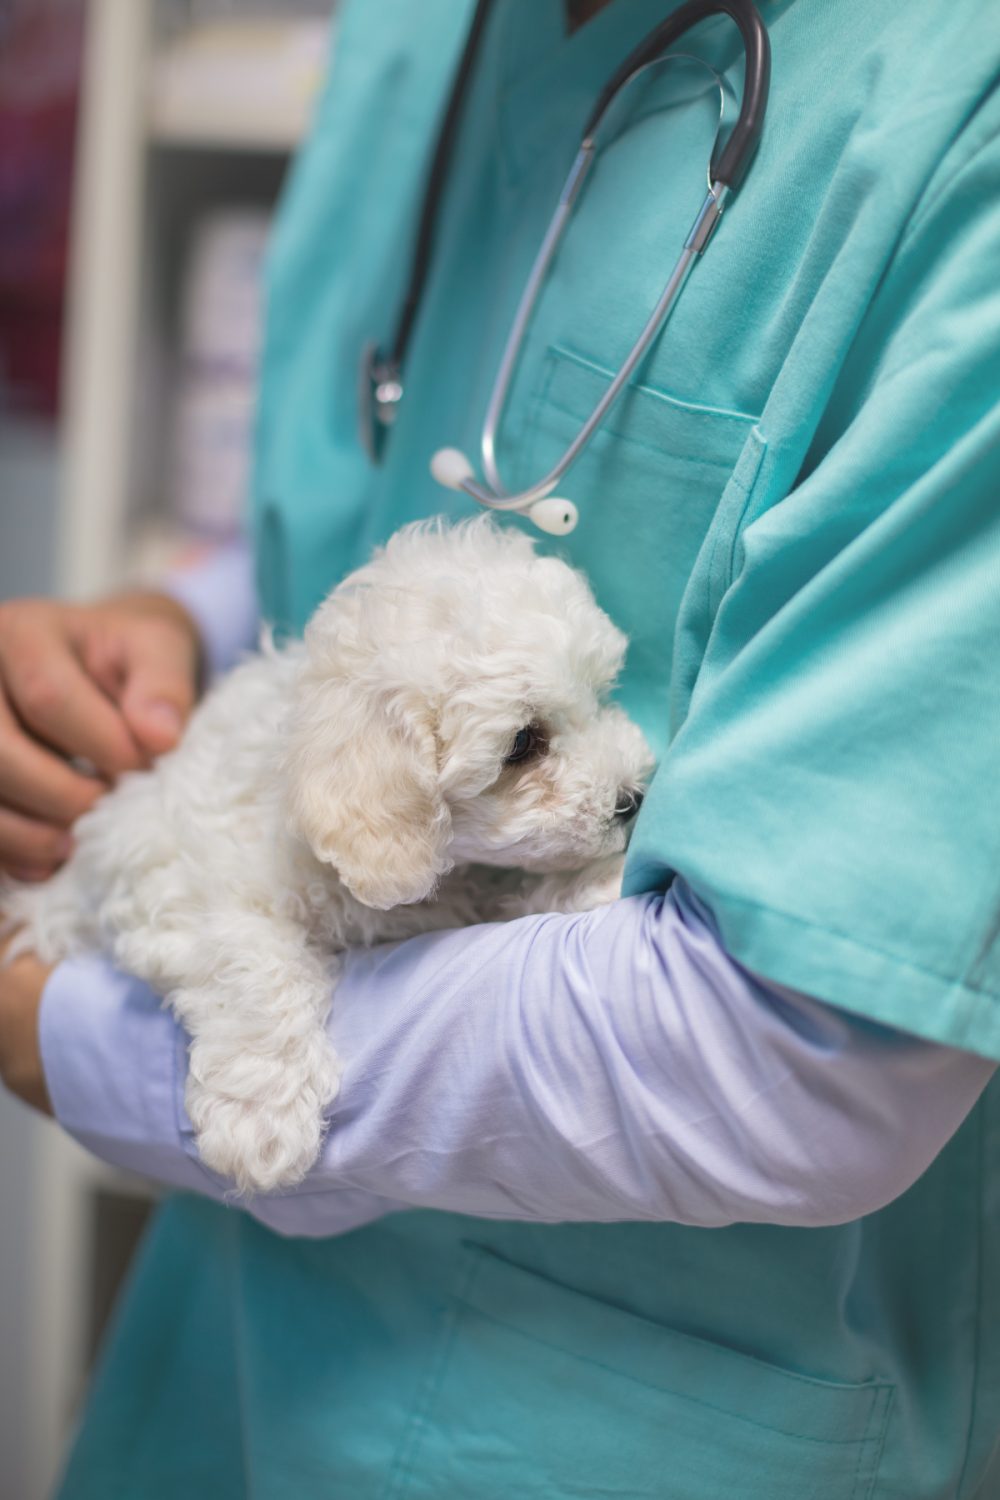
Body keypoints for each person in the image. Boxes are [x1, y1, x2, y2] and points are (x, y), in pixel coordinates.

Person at [2, 0, 1000, 1493]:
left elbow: (804, 1053)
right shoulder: (429, 27)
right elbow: (405, 459)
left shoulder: (951, 129)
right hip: (227, 1353)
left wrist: (71, 1041)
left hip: (623, 1416)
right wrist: (192, 615)